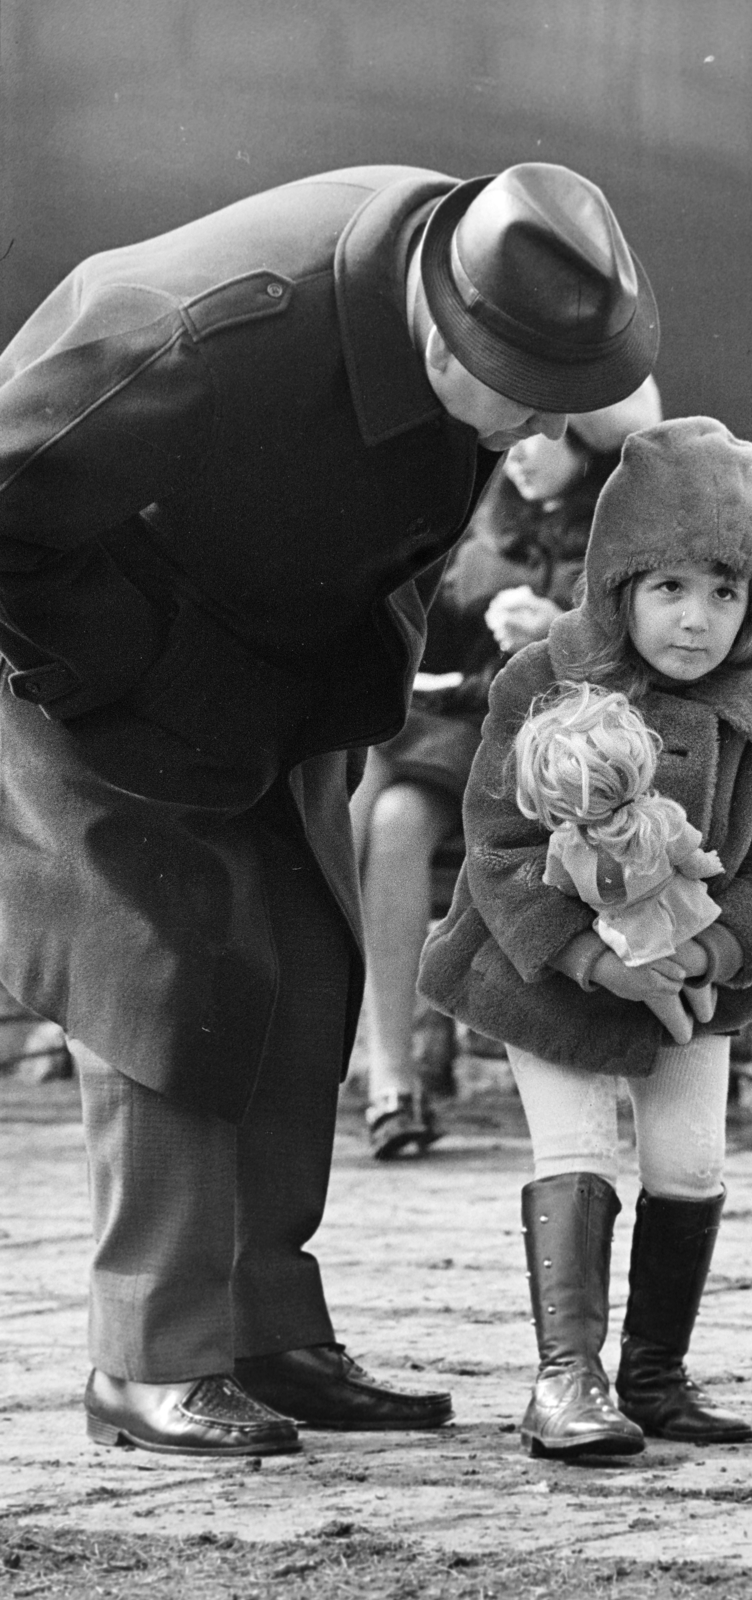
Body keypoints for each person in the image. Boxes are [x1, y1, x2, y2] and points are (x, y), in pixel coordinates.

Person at [0, 160, 658, 1457]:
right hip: (96, 672)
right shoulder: (207, 320)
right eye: (520, 396)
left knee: (306, 965)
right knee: (170, 977)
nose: (537, 430)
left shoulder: (484, 282)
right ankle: (150, 1358)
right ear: (439, 324)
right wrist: (127, 670)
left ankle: (266, 1332)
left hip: (280, 667)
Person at [419, 417, 752, 1460]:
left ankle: (652, 1373)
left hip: (692, 963)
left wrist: (707, 952)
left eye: (725, 594)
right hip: (545, 963)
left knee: (688, 1161)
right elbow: (499, 845)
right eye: (669, 588)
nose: (696, 620)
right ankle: (566, 1380)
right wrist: (596, 957)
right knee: (580, 1144)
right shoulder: (545, 682)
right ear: (616, 587)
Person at [350, 380, 662, 1159]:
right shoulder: (485, 513)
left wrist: (554, 629)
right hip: (453, 728)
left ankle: (329, 1058)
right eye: (510, 437)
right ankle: (391, 1081)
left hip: (538, 749)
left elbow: (636, 668)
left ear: (582, 440)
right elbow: (440, 626)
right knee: (379, 811)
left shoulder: (620, 533)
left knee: (358, 789)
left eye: (539, 436)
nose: (518, 453)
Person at [513, 680, 725, 1046]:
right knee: (676, 966)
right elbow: (689, 857)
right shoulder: (660, 817)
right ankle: (700, 1014)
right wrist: (706, 866)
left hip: (632, 919)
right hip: (666, 907)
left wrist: (564, 888)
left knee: (657, 980)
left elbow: (559, 881)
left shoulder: (570, 840)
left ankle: (688, 1025)